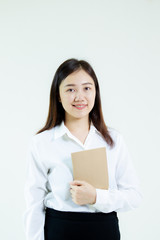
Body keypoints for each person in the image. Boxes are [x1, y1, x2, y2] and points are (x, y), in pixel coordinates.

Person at [24, 58, 142, 240]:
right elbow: (33, 203)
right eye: (70, 89)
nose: (80, 97)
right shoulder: (42, 142)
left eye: (87, 88)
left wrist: (96, 197)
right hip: (60, 230)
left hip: (104, 230)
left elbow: (133, 196)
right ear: (58, 95)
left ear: (96, 92)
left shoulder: (114, 140)